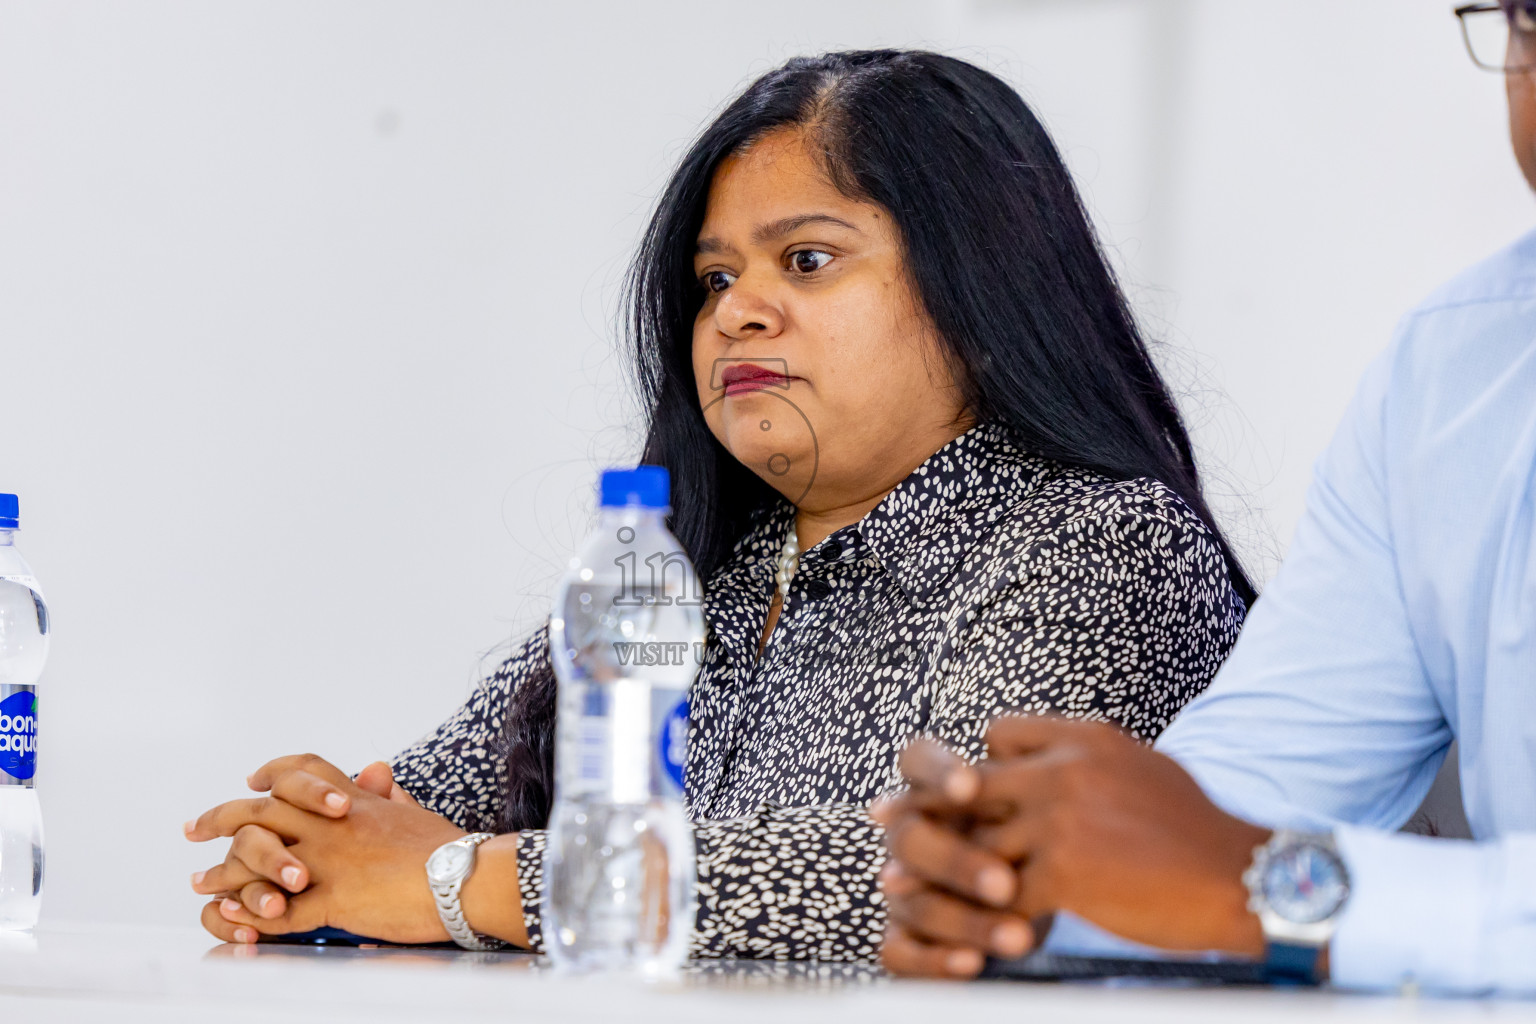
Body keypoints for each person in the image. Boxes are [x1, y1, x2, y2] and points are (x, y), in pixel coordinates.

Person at [183, 50, 1253, 961]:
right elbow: (408, 821)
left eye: (807, 260)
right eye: (712, 281)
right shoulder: (686, 570)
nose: (738, 312)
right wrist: (303, 850)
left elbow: (961, 873)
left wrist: (460, 881)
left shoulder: (1102, 546)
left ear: (980, 296)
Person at [876, 3, 1536, 994]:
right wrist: (1023, 872)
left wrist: (1275, 890)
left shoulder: (1106, 535)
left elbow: (1239, 874)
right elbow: (1252, 782)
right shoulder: (1448, 373)